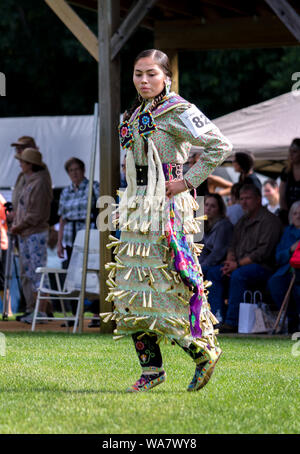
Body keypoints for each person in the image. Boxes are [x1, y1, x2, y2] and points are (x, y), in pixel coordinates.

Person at [101, 49, 232, 393]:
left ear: (166, 77)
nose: (143, 81)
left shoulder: (179, 110)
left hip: (168, 208)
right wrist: (125, 200)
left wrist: (188, 180)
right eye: (138, 74)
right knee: (133, 288)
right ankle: (151, 371)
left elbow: (220, 144)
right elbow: (134, 165)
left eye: (151, 74)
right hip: (137, 208)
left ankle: (202, 352)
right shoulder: (132, 115)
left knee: (166, 285)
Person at [205, 184, 282, 332]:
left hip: (263, 267)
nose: (244, 202)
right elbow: (232, 245)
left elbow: (262, 253)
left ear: (259, 199)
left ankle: (232, 322)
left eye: (248, 198)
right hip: (239, 265)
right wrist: (229, 262)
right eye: (242, 199)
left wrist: (237, 265)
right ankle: (216, 318)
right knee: (214, 272)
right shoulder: (242, 221)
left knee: (239, 275)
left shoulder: (269, 221)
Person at [10, 136, 53, 321]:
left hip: (35, 233)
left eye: (22, 162)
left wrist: (18, 225)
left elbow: (36, 214)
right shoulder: (31, 180)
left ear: (30, 164)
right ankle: (36, 310)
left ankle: (41, 311)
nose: (20, 164)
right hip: (27, 233)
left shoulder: (39, 182)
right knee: (31, 272)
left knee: (38, 273)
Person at [57, 157, 100, 327]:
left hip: (88, 233)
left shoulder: (93, 187)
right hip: (70, 236)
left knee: (92, 273)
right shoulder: (66, 191)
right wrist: (59, 242)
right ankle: (75, 314)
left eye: (77, 169)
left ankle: (97, 313)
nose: (74, 173)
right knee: (71, 274)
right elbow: (62, 218)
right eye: (71, 170)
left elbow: (100, 211)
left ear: (83, 170)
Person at [267, 201, 300, 333]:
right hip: (286, 270)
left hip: (298, 271)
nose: (298, 216)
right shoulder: (287, 231)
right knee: (275, 283)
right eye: (295, 213)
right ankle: (291, 320)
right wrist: (291, 250)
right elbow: (278, 256)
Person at [199, 194, 233, 268]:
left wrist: (200, 268)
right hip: (206, 263)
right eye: (206, 204)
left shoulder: (224, 226)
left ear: (219, 210)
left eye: (213, 206)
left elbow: (217, 254)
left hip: (219, 264)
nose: (208, 208)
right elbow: (203, 250)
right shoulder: (205, 223)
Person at [279, 138, 300, 213]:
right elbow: (282, 196)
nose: (291, 154)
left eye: (294, 152)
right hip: (290, 213)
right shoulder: (286, 171)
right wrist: (286, 213)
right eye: (290, 151)